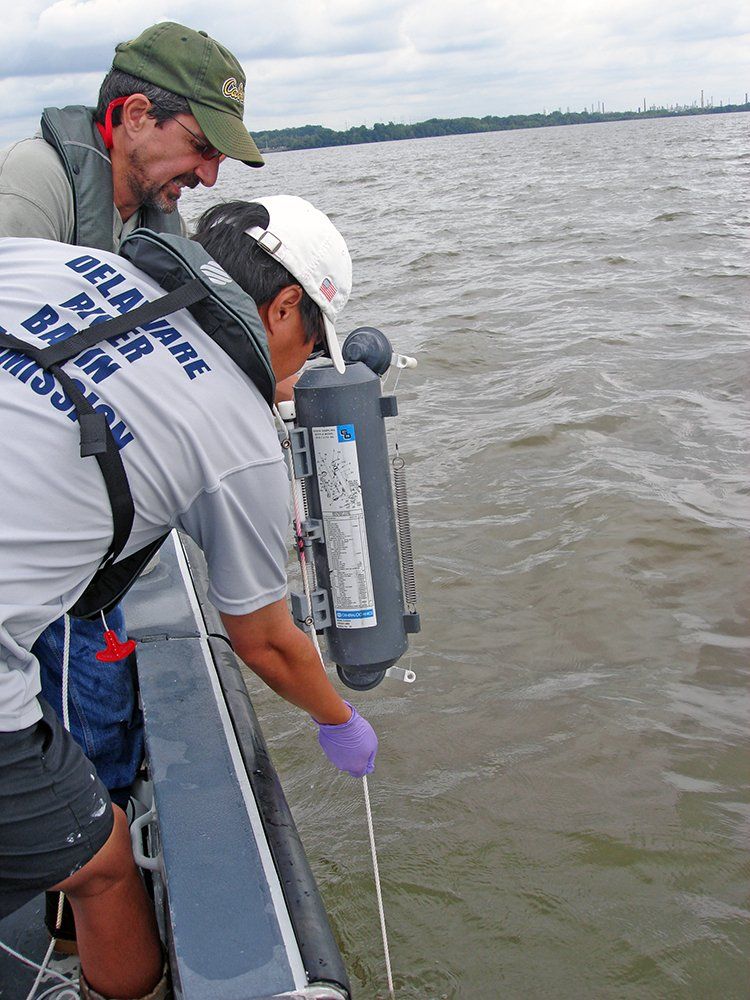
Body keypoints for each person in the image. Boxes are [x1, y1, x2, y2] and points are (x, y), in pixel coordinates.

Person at [0, 195, 378, 1000]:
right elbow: (266, 640)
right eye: (308, 349)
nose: (293, 379)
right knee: (101, 868)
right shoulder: (238, 437)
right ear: (282, 309)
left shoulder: (69, 265)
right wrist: (340, 721)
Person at [0, 22, 265, 842]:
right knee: (80, 686)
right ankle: (73, 862)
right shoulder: (33, 185)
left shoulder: (154, 224)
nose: (209, 172)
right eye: (200, 146)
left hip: (89, 503)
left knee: (104, 679)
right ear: (135, 115)